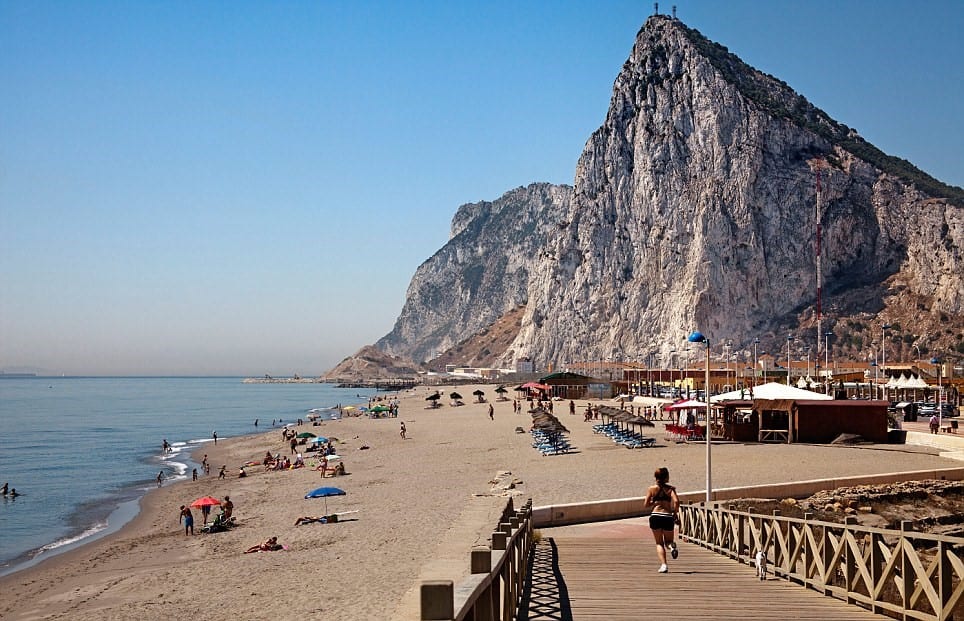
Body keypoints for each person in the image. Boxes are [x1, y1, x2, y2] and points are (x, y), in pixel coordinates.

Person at [642, 467, 680, 573]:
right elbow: (676, 502)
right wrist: (675, 513)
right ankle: (672, 548)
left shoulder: (651, 489)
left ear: (656, 477)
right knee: (669, 541)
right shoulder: (670, 489)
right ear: (667, 477)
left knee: (659, 543)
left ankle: (664, 565)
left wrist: (654, 503)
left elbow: (645, 505)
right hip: (667, 516)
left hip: (655, 516)